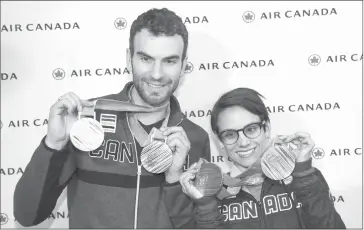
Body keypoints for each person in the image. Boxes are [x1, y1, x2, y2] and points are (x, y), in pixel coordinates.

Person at [13, 8, 211, 229]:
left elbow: (196, 224)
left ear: (184, 66)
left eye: (170, 61)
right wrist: (54, 145)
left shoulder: (195, 138)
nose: (156, 73)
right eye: (146, 58)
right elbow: (27, 214)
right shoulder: (87, 120)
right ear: (129, 59)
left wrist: (174, 179)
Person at [179, 87, 346, 229]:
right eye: (230, 134)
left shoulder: (302, 179)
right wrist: (206, 206)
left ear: (266, 129)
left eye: (251, 129)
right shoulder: (213, 195)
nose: (243, 142)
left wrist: (303, 175)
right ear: (220, 142)